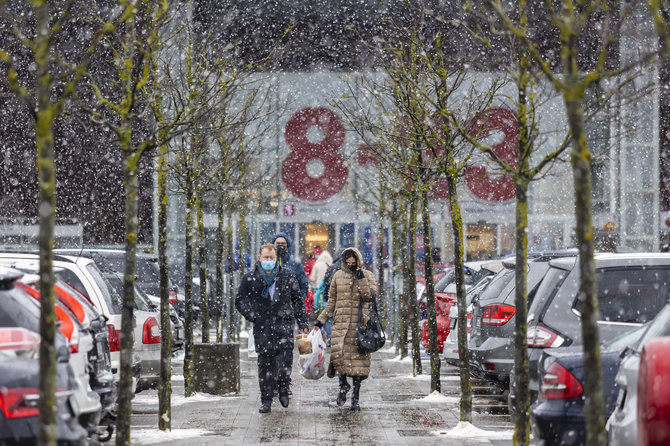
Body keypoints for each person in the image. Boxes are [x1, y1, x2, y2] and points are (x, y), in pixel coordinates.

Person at [235, 243, 309, 413]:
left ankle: (283, 388)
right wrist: (253, 315)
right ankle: (266, 399)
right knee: (265, 365)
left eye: (272, 258)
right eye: (266, 257)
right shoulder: (250, 278)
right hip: (263, 327)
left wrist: (303, 323)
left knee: (284, 362)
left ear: (277, 258)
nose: (269, 260)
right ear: (260, 258)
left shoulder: (287, 276)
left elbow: (298, 301)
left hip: (284, 325)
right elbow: (240, 300)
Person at [313, 247, 376, 411]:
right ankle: (343, 386)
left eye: (353, 263)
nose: (350, 265)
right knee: (339, 359)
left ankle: (356, 396)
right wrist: (320, 321)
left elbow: (369, 296)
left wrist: (361, 277)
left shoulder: (367, 275)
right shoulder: (337, 275)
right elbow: (331, 301)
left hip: (359, 327)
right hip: (340, 326)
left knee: (358, 364)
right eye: (347, 262)